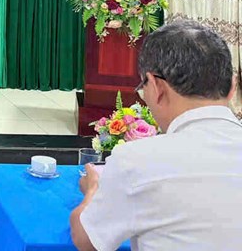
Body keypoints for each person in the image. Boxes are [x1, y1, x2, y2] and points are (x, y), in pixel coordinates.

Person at [70, 20, 242, 251]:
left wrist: (93, 190)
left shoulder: (137, 160)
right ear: (232, 87)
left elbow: (86, 240)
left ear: (156, 86)